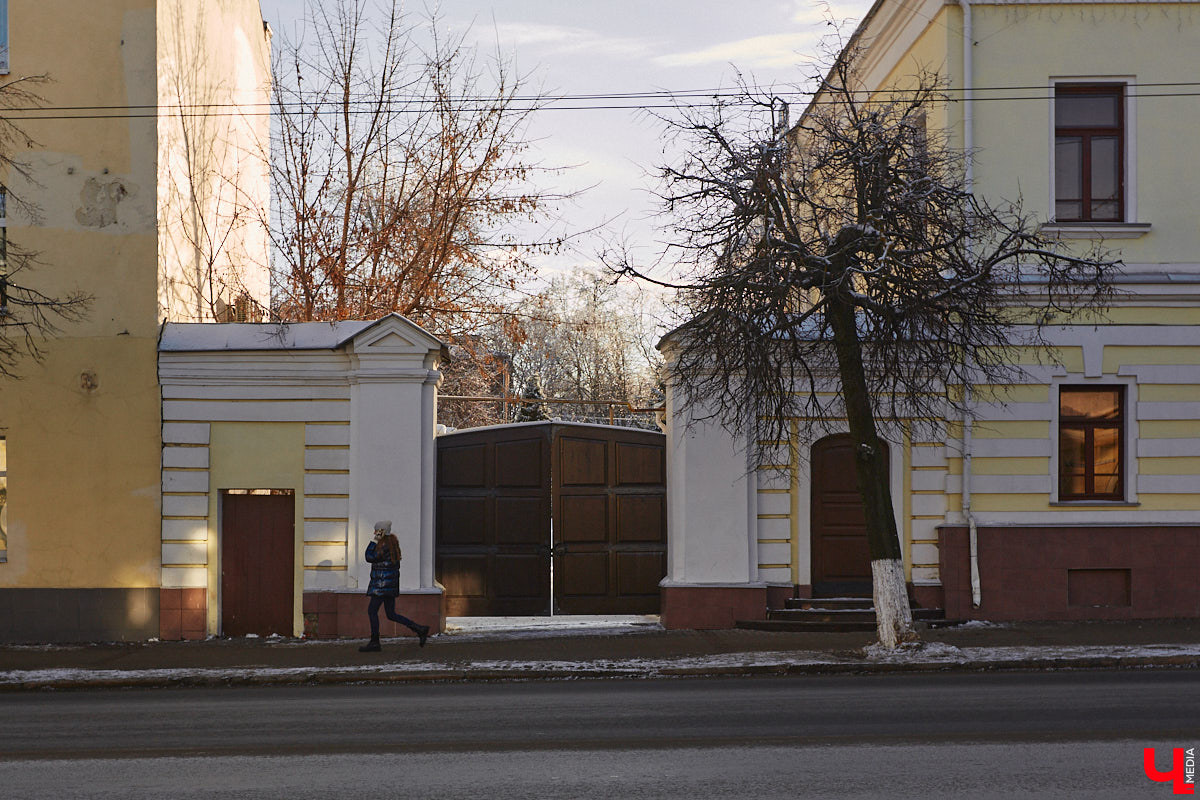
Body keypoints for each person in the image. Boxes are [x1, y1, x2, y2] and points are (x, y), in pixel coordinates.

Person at [359, 520, 430, 652]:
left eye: (376, 530)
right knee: (391, 614)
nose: (374, 532)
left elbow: (369, 557)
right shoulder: (391, 544)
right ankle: (419, 629)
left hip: (381, 586)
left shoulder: (383, 545)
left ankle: (375, 642)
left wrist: (374, 541)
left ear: (381, 531)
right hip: (389, 585)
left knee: (372, 611)